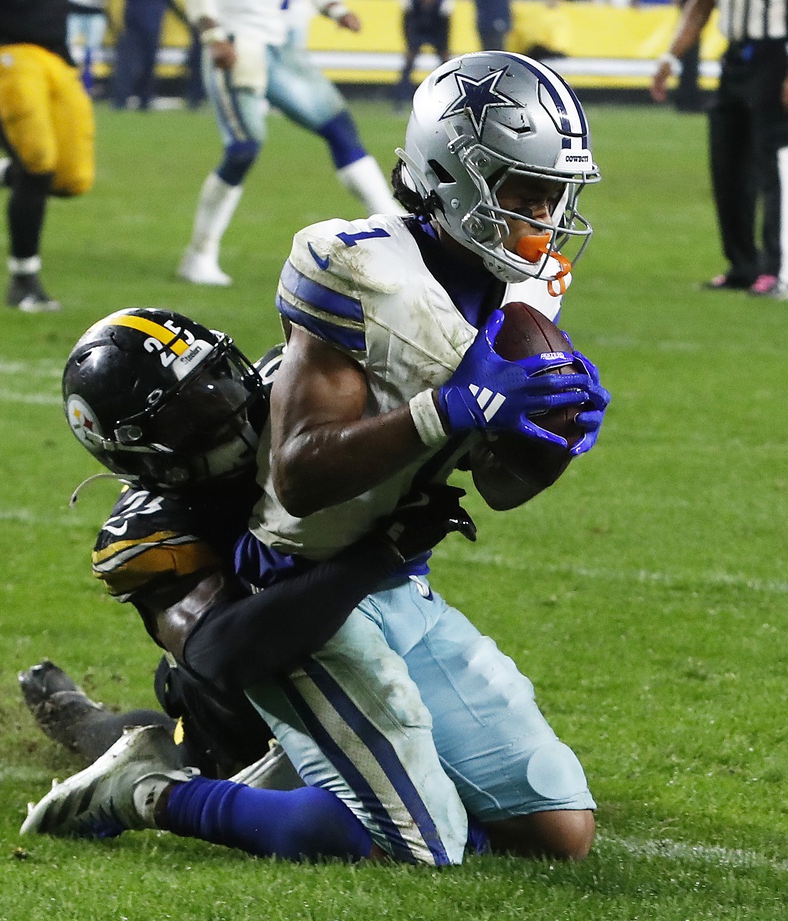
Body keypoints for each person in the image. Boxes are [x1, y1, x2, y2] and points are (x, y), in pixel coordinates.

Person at [235, 50, 608, 862]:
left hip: (398, 582)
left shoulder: (517, 297)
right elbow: (298, 474)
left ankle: (313, 758)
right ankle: (152, 790)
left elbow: (500, 489)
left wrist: (554, 437)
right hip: (303, 590)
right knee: (425, 841)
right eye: (524, 193)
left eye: (555, 196)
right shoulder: (362, 268)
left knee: (560, 831)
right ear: (451, 177)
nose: (544, 219)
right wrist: (451, 408)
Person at [20, 307, 480, 861]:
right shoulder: (150, 530)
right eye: (190, 418)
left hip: (379, 647)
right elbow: (226, 652)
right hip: (251, 708)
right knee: (400, 831)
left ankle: (101, 729)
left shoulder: (293, 387)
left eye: (218, 380)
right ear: (139, 452)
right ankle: (111, 753)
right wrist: (379, 555)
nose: (228, 410)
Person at [175, 0, 401, 287]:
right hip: (238, 44)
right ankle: (199, 255)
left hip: (279, 47)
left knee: (339, 128)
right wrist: (212, 36)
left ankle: (394, 224)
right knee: (243, 150)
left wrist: (336, 10)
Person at [652, 0, 788, 301]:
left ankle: (781, 272)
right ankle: (743, 266)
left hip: (777, 57)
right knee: (727, 165)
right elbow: (699, 9)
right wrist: (671, 56)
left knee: (776, 165)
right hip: (735, 57)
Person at [0, 0, 97, 311]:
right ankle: (23, 282)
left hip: (54, 49)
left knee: (72, 178)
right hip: (1, 43)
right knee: (37, 162)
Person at [393, 0, 452, 110]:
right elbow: (407, 20)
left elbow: (445, 24)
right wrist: (409, 44)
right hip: (416, 25)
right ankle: (399, 102)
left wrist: (445, 47)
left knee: (446, 67)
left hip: (437, 27)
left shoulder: (443, 4)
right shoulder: (411, 4)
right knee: (408, 66)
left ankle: (448, 100)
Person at [108, 0, 163, 109]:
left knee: (131, 63)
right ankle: (140, 99)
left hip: (137, 20)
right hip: (146, 22)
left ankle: (124, 100)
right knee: (139, 63)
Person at [67, 0, 107, 94]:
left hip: (97, 11)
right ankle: (71, 85)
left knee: (92, 53)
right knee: (73, 52)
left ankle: (88, 86)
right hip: (74, 11)